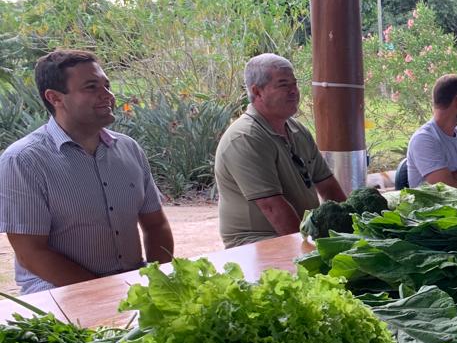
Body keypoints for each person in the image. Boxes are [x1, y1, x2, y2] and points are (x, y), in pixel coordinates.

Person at [0, 49, 173, 294]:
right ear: (55, 98)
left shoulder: (128, 149)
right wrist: (102, 294)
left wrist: (158, 283)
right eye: (91, 87)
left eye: (107, 85)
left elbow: (156, 225)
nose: (108, 96)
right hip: (59, 296)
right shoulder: (23, 161)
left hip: (130, 287)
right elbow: (31, 253)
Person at [215, 54, 346, 248]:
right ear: (257, 92)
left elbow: (327, 185)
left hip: (300, 233)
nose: (294, 91)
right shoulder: (245, 137)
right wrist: (308, 250)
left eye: (295, 83)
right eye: (283, 85)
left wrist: (354, 226)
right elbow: (273, 208)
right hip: (256, 242)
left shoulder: (297, 130)